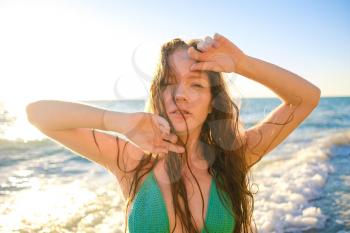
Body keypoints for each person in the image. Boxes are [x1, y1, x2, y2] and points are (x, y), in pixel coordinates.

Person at [26, 33, 321, 233]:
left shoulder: (234, 158)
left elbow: (306, 98)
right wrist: (118, 121)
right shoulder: (131, 161)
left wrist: (242, 64)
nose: (180, 95)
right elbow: (38, 114)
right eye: (169, 82)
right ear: (158, 94)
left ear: (212, 102)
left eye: (195, 84)